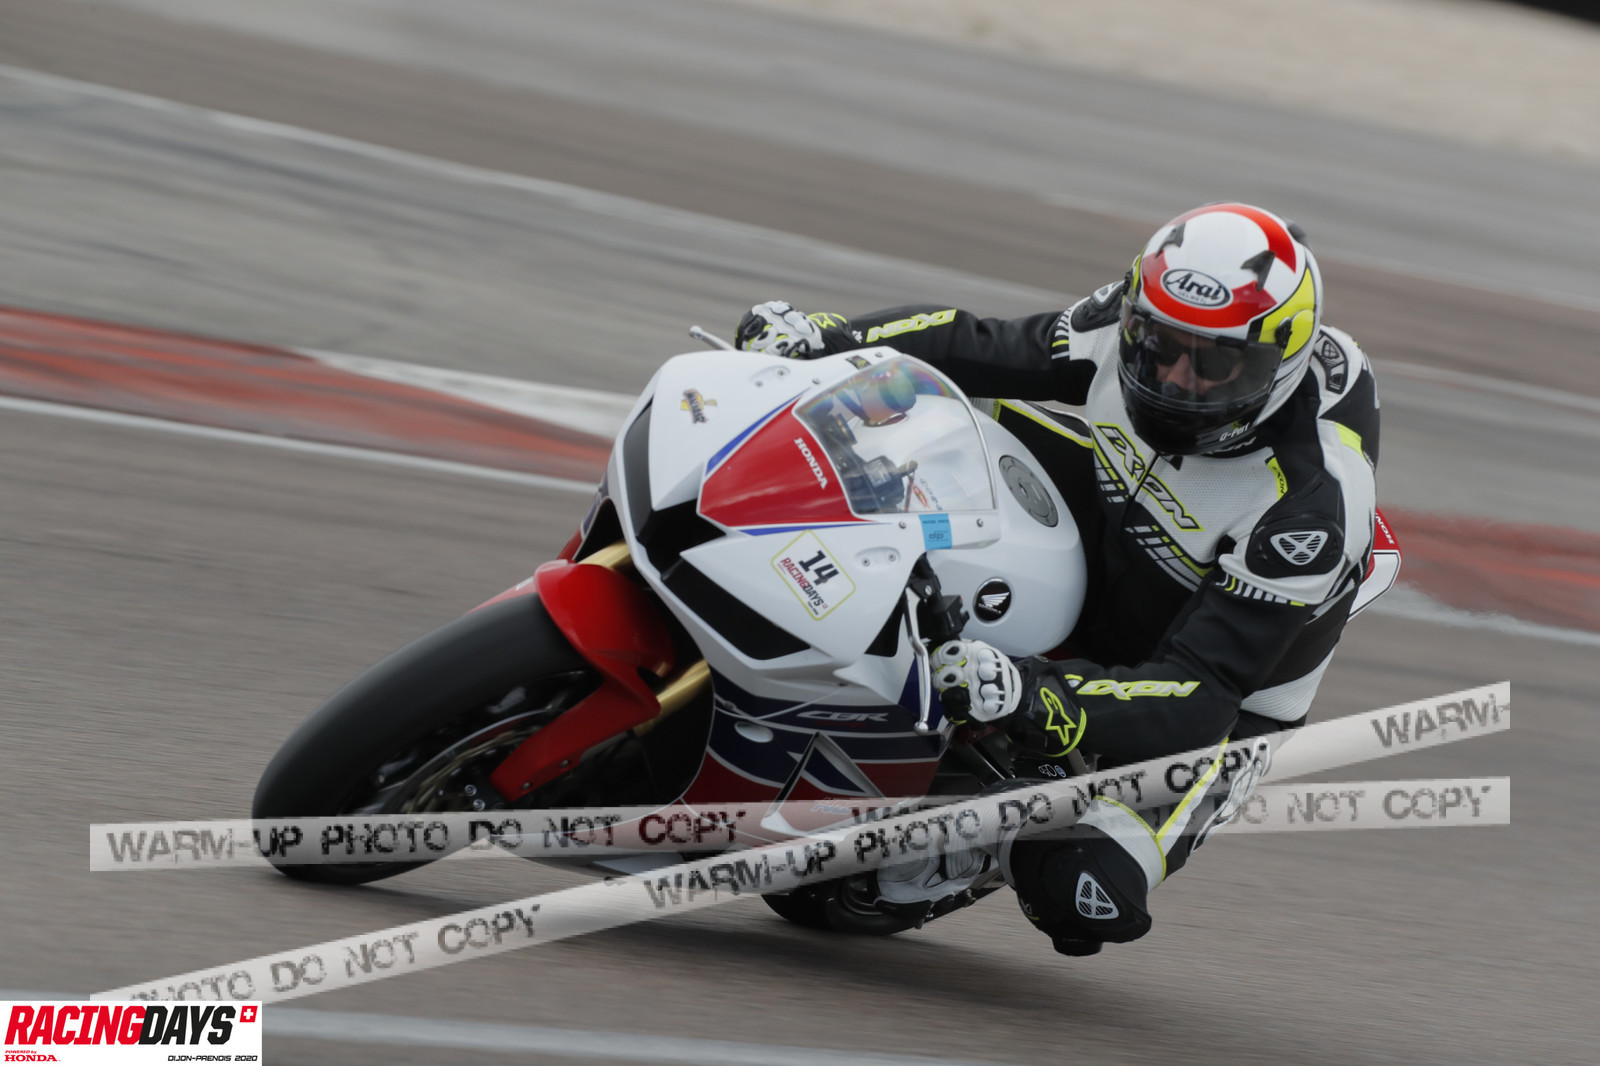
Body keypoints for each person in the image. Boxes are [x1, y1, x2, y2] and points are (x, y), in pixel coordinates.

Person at [733, 202, 1379, 955]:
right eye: (1160, 346)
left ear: (1278, 363)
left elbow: (1202, 695)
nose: (1176, 379)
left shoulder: (1308, 510)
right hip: (1115, 514)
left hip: (1221, 690)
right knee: (925, 413)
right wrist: (831, 341)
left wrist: (1036, 693)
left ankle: (988, 833)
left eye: (1212, 366)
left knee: (1086, 891)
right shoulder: (1134, 318)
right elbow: (984, 344)